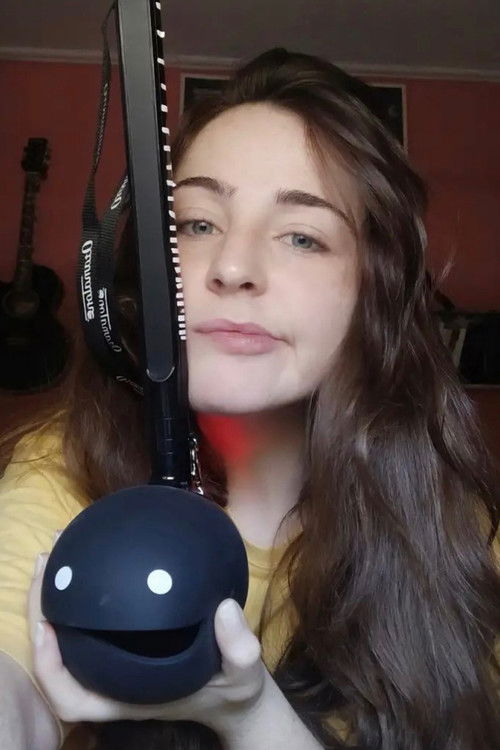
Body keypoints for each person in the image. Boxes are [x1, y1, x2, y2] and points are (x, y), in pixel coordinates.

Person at [0, 47, 499, 750]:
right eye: (197, 224)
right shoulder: (65, 467)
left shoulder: (460, 532)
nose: (233, 267)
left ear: (374, 293)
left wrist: (250, 715)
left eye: (302, 237)